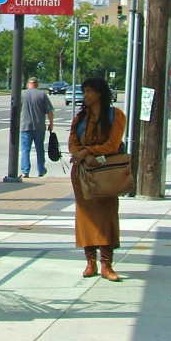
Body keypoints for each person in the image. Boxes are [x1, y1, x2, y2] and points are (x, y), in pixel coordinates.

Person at [68, 76, 126, 282]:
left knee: (107, 217)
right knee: (85, 218)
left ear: (100, 93)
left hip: (106, 173)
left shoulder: (115, 115)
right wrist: (81, 154)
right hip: (83, 174)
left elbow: (113, 144)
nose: (86, 95)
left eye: (90, 91)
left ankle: (106, 264)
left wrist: (88, 152)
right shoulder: (80, 118)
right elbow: (73, 144)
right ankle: (90, 261)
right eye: (84, 91)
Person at [20, 76, 55, 178]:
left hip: (25, 126)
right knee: (40, 149)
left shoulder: (23, 94)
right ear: (37, 84)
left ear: (28, 84)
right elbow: (50, 111)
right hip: (39, 127)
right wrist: (51, 123)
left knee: (25, 149)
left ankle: (25, 171)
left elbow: (16, 109)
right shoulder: (42, 94)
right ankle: (41, 170)